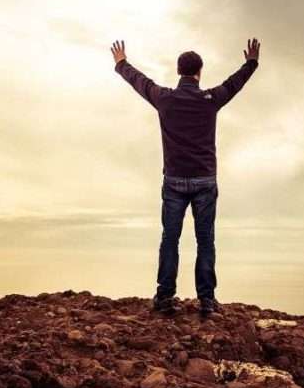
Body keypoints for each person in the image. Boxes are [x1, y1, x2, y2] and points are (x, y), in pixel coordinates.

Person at [111, 38, 260, 316]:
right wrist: (251, 63)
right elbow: (234, 84)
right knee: (205, 240)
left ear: (179, 71)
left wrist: (121, 64)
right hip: (204, 181)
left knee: (170, 238)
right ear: (199, 72)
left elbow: (140, 81)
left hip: (174, 182)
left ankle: (165, 298)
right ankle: (206, 301)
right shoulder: (210, 100)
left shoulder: (165, 99)